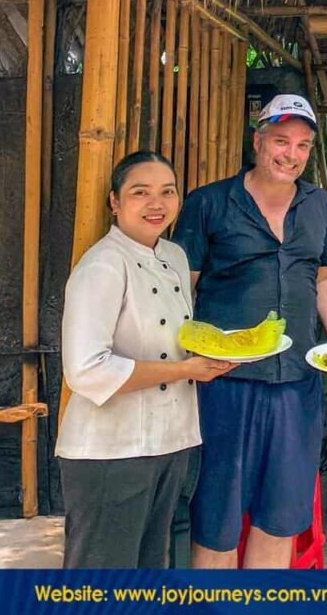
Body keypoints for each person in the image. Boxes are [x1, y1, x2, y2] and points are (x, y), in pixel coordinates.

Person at [173, 94, 327, 569]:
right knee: (217, 513)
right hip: (224, 383)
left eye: (302, 145)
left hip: (297, 383)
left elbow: (326, 277)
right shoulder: (208, 203)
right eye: (280, 141)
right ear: (257, 141)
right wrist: (189, 360)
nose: (290, 154)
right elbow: (179, 292)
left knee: (281, 513)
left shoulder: (317, 204)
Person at [57, 152, 236, 568]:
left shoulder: (174, 256)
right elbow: (85, 368)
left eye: (167, 192)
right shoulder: (102, 264)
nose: (157, 203)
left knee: (152, 565)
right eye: (141, 193)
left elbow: (173, 338)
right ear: (115, 202)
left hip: (171, 440)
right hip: (110, 450)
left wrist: (214, 353)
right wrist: (185, 371)